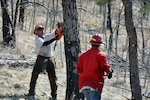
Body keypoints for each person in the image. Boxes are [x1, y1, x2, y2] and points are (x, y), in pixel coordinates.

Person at [26, 23, 64, 100]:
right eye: (39, 30)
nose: (41, 31)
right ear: (36, 32)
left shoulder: (46, 37)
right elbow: (45, 43)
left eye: (42, 29)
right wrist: (54, 38)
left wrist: (60, 29)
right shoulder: (37, 39)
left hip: (49, 59)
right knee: (34, 75)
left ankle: (54, 95)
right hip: (40, 59)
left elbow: (55, 34)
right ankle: (31, 92)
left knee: (52, 77)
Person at [77, 34, 113, 100]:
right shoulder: (101, 55)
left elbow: (79, 70)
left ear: (91, 43)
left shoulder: (82, 56)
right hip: (94, 83)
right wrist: (109, 72)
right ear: (99, 44)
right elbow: (105, 66)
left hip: (83, 83)